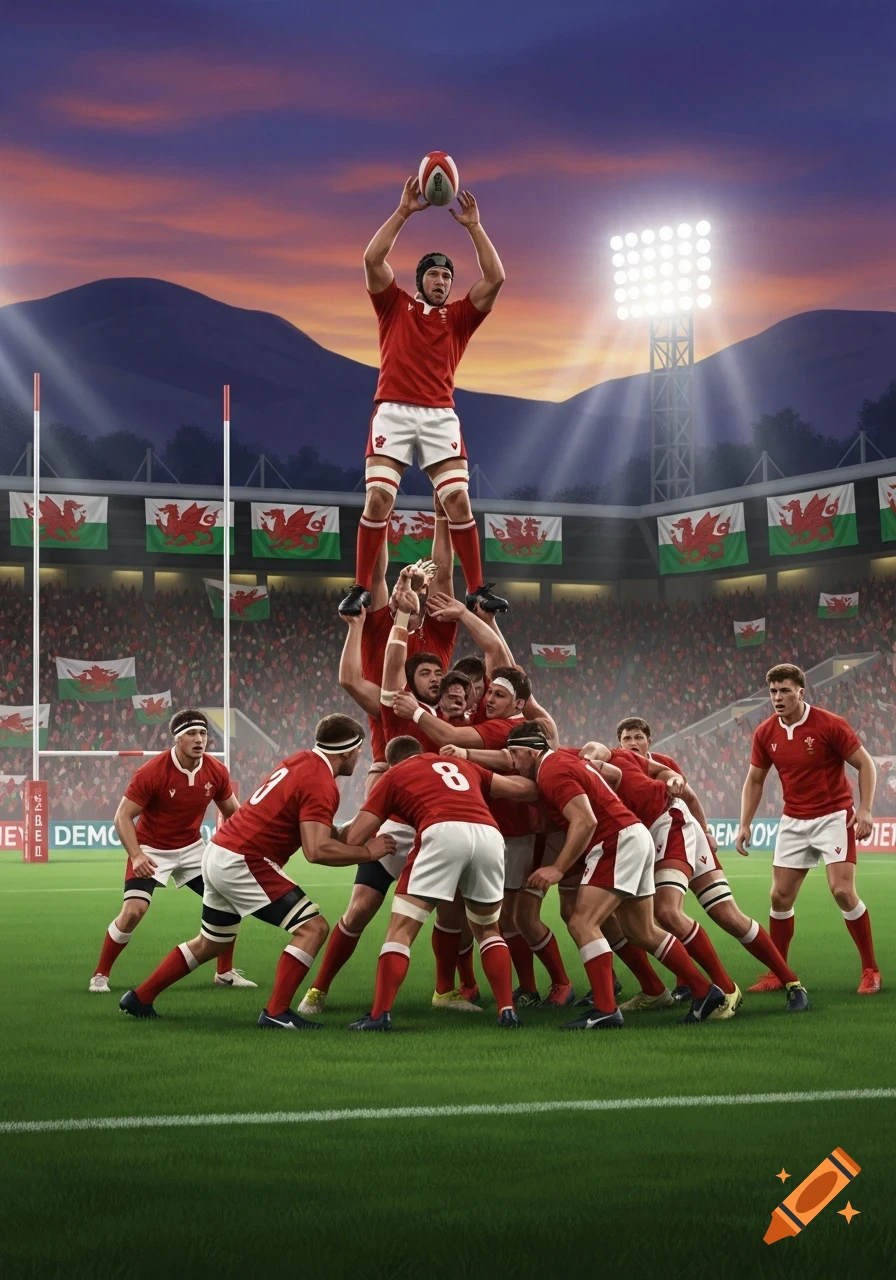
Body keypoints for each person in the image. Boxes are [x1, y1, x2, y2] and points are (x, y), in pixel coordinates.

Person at [119, 715, 396, 1028]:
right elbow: (316, 850)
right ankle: (277, 1013)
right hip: (245, 859)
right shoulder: (321, 782)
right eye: (360, 752)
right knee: (313, 928)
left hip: (219, 852)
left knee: (212, 942)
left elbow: (309, 825)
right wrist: (367, 852)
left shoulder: (300, 761)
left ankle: (140, 997)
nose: (360, 758)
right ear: (348, 751)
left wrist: (348, 831)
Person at [338, 175, 507, 619]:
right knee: (378, 500)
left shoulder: (459, 318)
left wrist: (474, 226)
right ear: (419, 281)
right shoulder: (394, 305)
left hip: (439, 416)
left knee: (458, 502)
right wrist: (404, 212)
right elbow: (372, 258)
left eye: (447, 275)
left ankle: (477, 589)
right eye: (433, 273)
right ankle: (359, 588)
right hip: (392, 410)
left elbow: (496, 277)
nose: (441, 280)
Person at [505, 722, 727, 1029]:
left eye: (514, 754)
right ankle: (705, 991)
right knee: (641, 930)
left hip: (616, 841)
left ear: (530, 751)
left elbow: (585, 821)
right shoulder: (561, 760)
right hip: (633, 835)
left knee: (582, 922)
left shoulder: (551, 770)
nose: (513, 763)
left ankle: (606, 1008)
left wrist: (557, 868)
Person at [297, 671, 479, 1018]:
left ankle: (445, 990)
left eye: (440, 675)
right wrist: (399, 623)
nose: (436, 681)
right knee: (360, 909)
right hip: (395, 828)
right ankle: (318, 989)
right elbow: (367, 677)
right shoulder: (400, 712)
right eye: (426, 673)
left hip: (438, 830)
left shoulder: (453, 726)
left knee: (452, 912)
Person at [582, 741, 810, 1015]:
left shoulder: (598, 760)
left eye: (637, 736)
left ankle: (760, 986)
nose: (632, 742)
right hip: (660, 832)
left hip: (670, 825)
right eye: (626, 737)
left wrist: (705, 830)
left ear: (648, 740)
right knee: (723, 915)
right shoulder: (626, 762)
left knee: (668, 913)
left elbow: (684, 791)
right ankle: (727, 988)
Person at [340, 736, 539, 1031]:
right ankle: (506, 1010)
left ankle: (379, 1015)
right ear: (423, 753)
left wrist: (329, 835)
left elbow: (356, 837)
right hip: (489, 834)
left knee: (402, 929)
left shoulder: (394, 775)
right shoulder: (461, 764)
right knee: (487, 929)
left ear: (393, 762)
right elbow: (524, 790)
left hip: (441, 831)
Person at [736, 663, 880, 996]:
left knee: (842, 891)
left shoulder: (830, 724)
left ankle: (871, 970)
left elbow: (865, 764)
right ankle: (779, 972)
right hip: (793, 821)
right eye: (773, 691)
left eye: (785, 690)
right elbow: (755, 779)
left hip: (834, 817)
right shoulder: (765, 732)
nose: (778, 697)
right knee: (778, 896)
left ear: (801, 691)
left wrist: (866, 809)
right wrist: (745, 823)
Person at [89, 708, 255, 992]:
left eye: (203, 733)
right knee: (133, 911)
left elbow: (234, 815)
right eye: (191, 733)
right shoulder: (153, 772)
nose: (199, 739)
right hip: (151, 850)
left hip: (192, 849)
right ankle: (100, 975)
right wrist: (137, 855)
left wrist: (238, 850)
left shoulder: (216, 771)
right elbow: (122, 817)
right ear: (177, 738)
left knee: (229, 900)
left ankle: (224, 972)